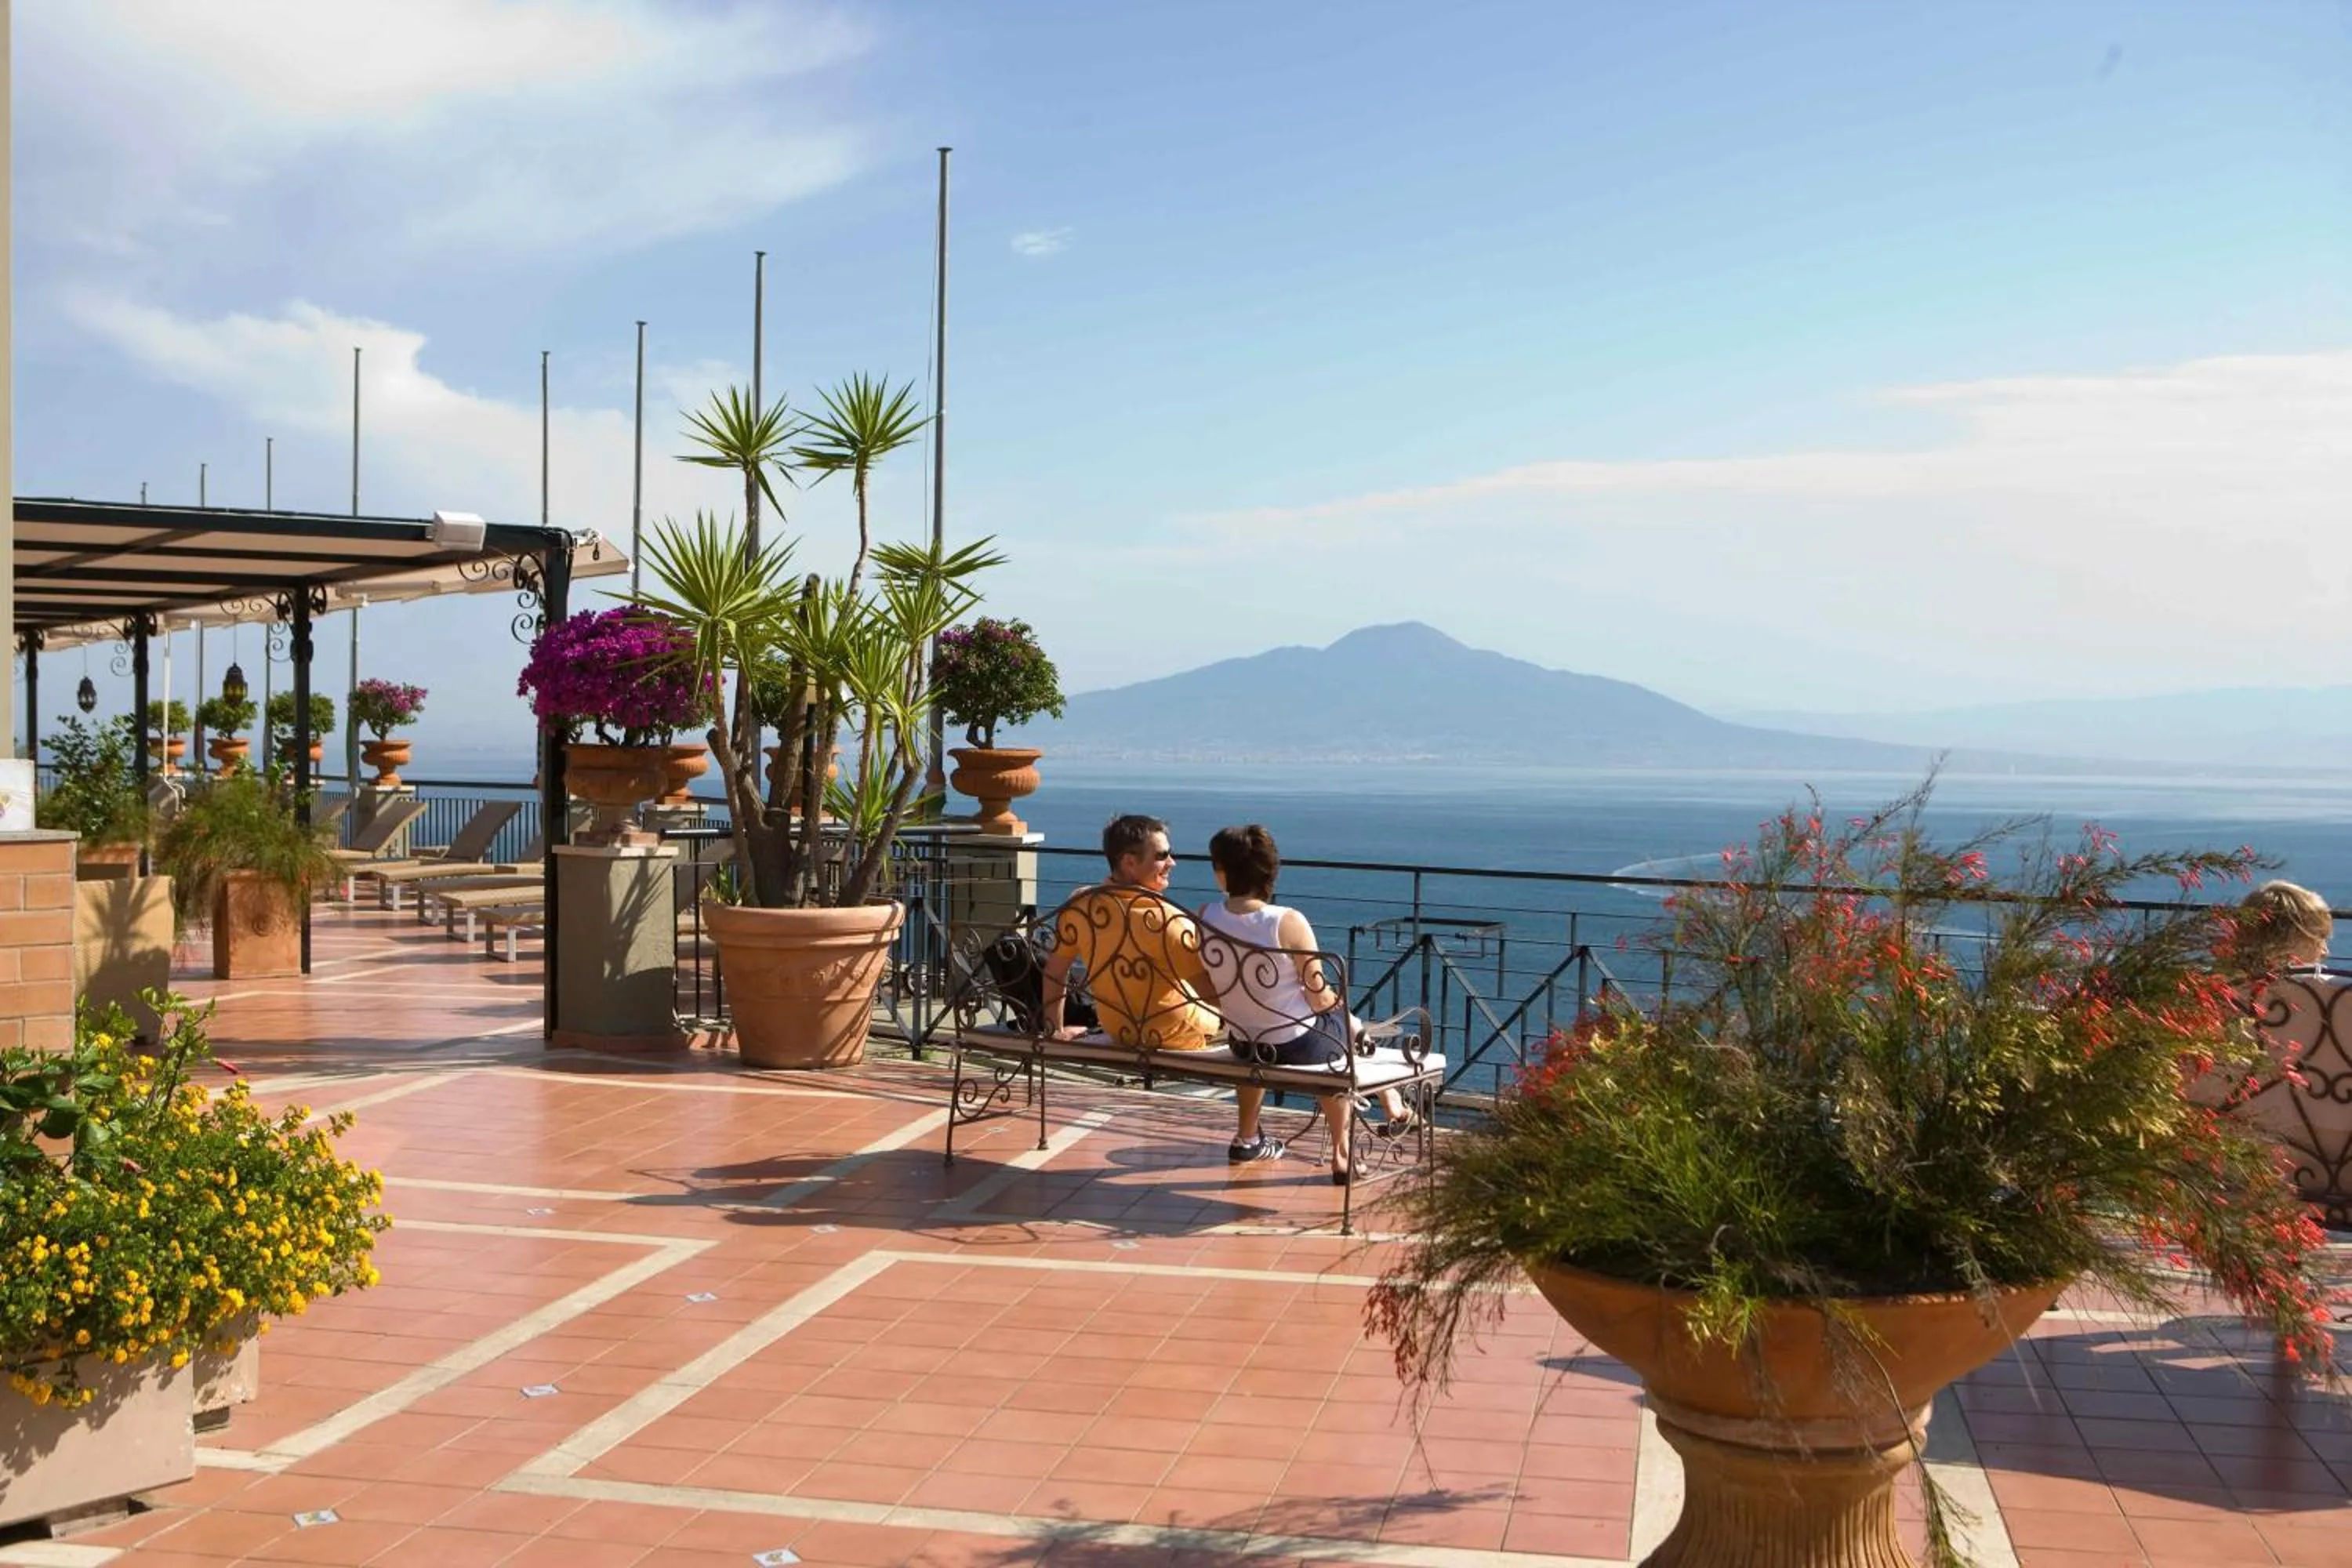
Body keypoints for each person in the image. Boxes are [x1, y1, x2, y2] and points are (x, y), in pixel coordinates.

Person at [1038, 815, 1284, 1163]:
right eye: (1162, 855)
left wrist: (1054, 1030)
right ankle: (1249, 1137)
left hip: (1120, 1029)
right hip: (1176, 1034)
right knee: (1256, 1039)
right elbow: (1214, 995)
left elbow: (1055, 969)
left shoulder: (1081, 903)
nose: (1172, 862)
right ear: (1129, 862)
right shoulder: (1168, 920)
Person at [1195, 824, 1415, 1185]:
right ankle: (1346, 1152)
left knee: (1319, 1031)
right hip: (1296, 1045)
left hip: (1244, 1042)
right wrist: (1336, 1001)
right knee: (1345, 1029)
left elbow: (1203, 982)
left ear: (1221, 872)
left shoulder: (1204, 915)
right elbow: (1319, 996)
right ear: (1270, 872)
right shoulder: (1287, 921)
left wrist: (1236, 1006)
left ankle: (1247, 1137)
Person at [2234, 880, 2333, 978]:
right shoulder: (2325, 987)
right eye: (2319, 939)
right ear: (2288, 938)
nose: (2325, 952)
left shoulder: (2225, 983)